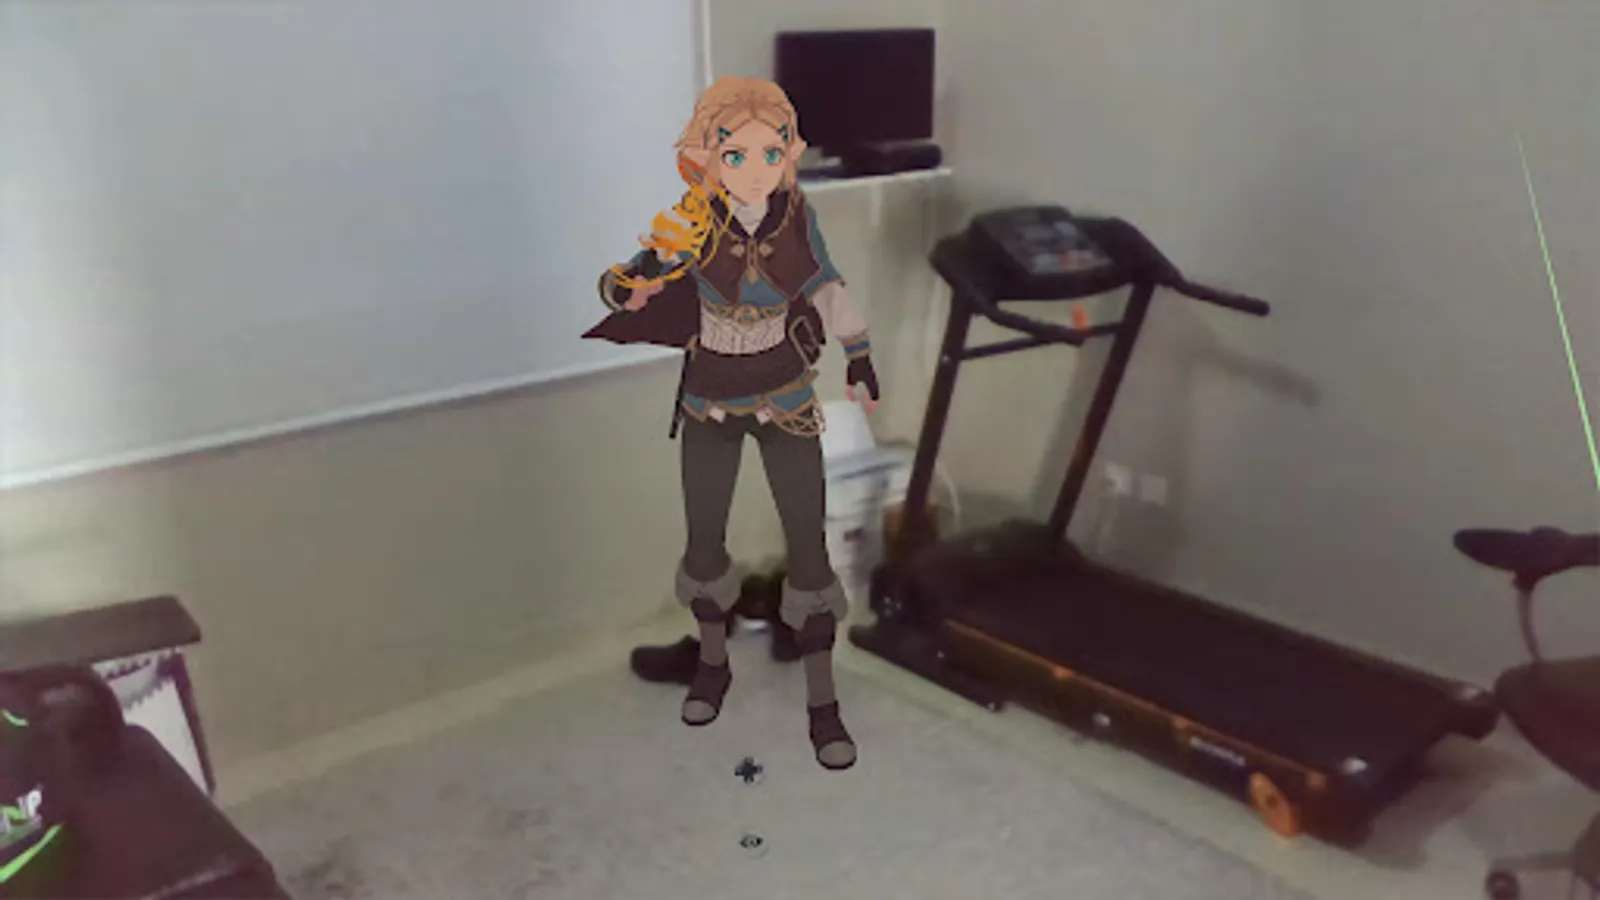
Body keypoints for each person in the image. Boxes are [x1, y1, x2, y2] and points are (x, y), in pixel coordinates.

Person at [583, 77, 879, 771]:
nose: (753, 170)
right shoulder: (690, 220)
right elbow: (626, 286)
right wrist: (635, 284)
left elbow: (826, 287)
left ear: (788, 155)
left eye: (769, 153)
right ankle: (711, 666)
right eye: (735, 155)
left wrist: (860, 353)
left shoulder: (798, 219)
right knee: (705, 546)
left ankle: (823, 704)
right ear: (707, 158)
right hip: (710, 401)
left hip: (785, 396)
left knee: (809, 552)